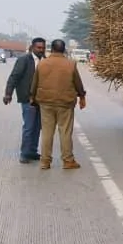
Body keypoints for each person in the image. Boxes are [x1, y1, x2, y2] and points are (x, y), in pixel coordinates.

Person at [30, 39, 86, 170]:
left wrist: (32, 97)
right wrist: (82, 96)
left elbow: (35, 82)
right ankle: (68, 161)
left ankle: (45, 161)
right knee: (65, 132)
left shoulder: (42, 64)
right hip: (65, 103)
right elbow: (78, 83)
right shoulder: (71, 64)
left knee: (47, 133)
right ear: (64, 49)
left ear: (52, 49)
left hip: (46, 102)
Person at [3, 38, 46, 164]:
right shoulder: (24, 60)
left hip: (42, 99)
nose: (41, 50)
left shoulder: (45, 61)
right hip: (28, 98)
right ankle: (24, 153)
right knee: (29, 126)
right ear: (32, 47)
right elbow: (14, 77)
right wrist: (8, 93)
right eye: (38, 48)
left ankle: (32, 151)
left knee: (38, 126)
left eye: (43, 48)